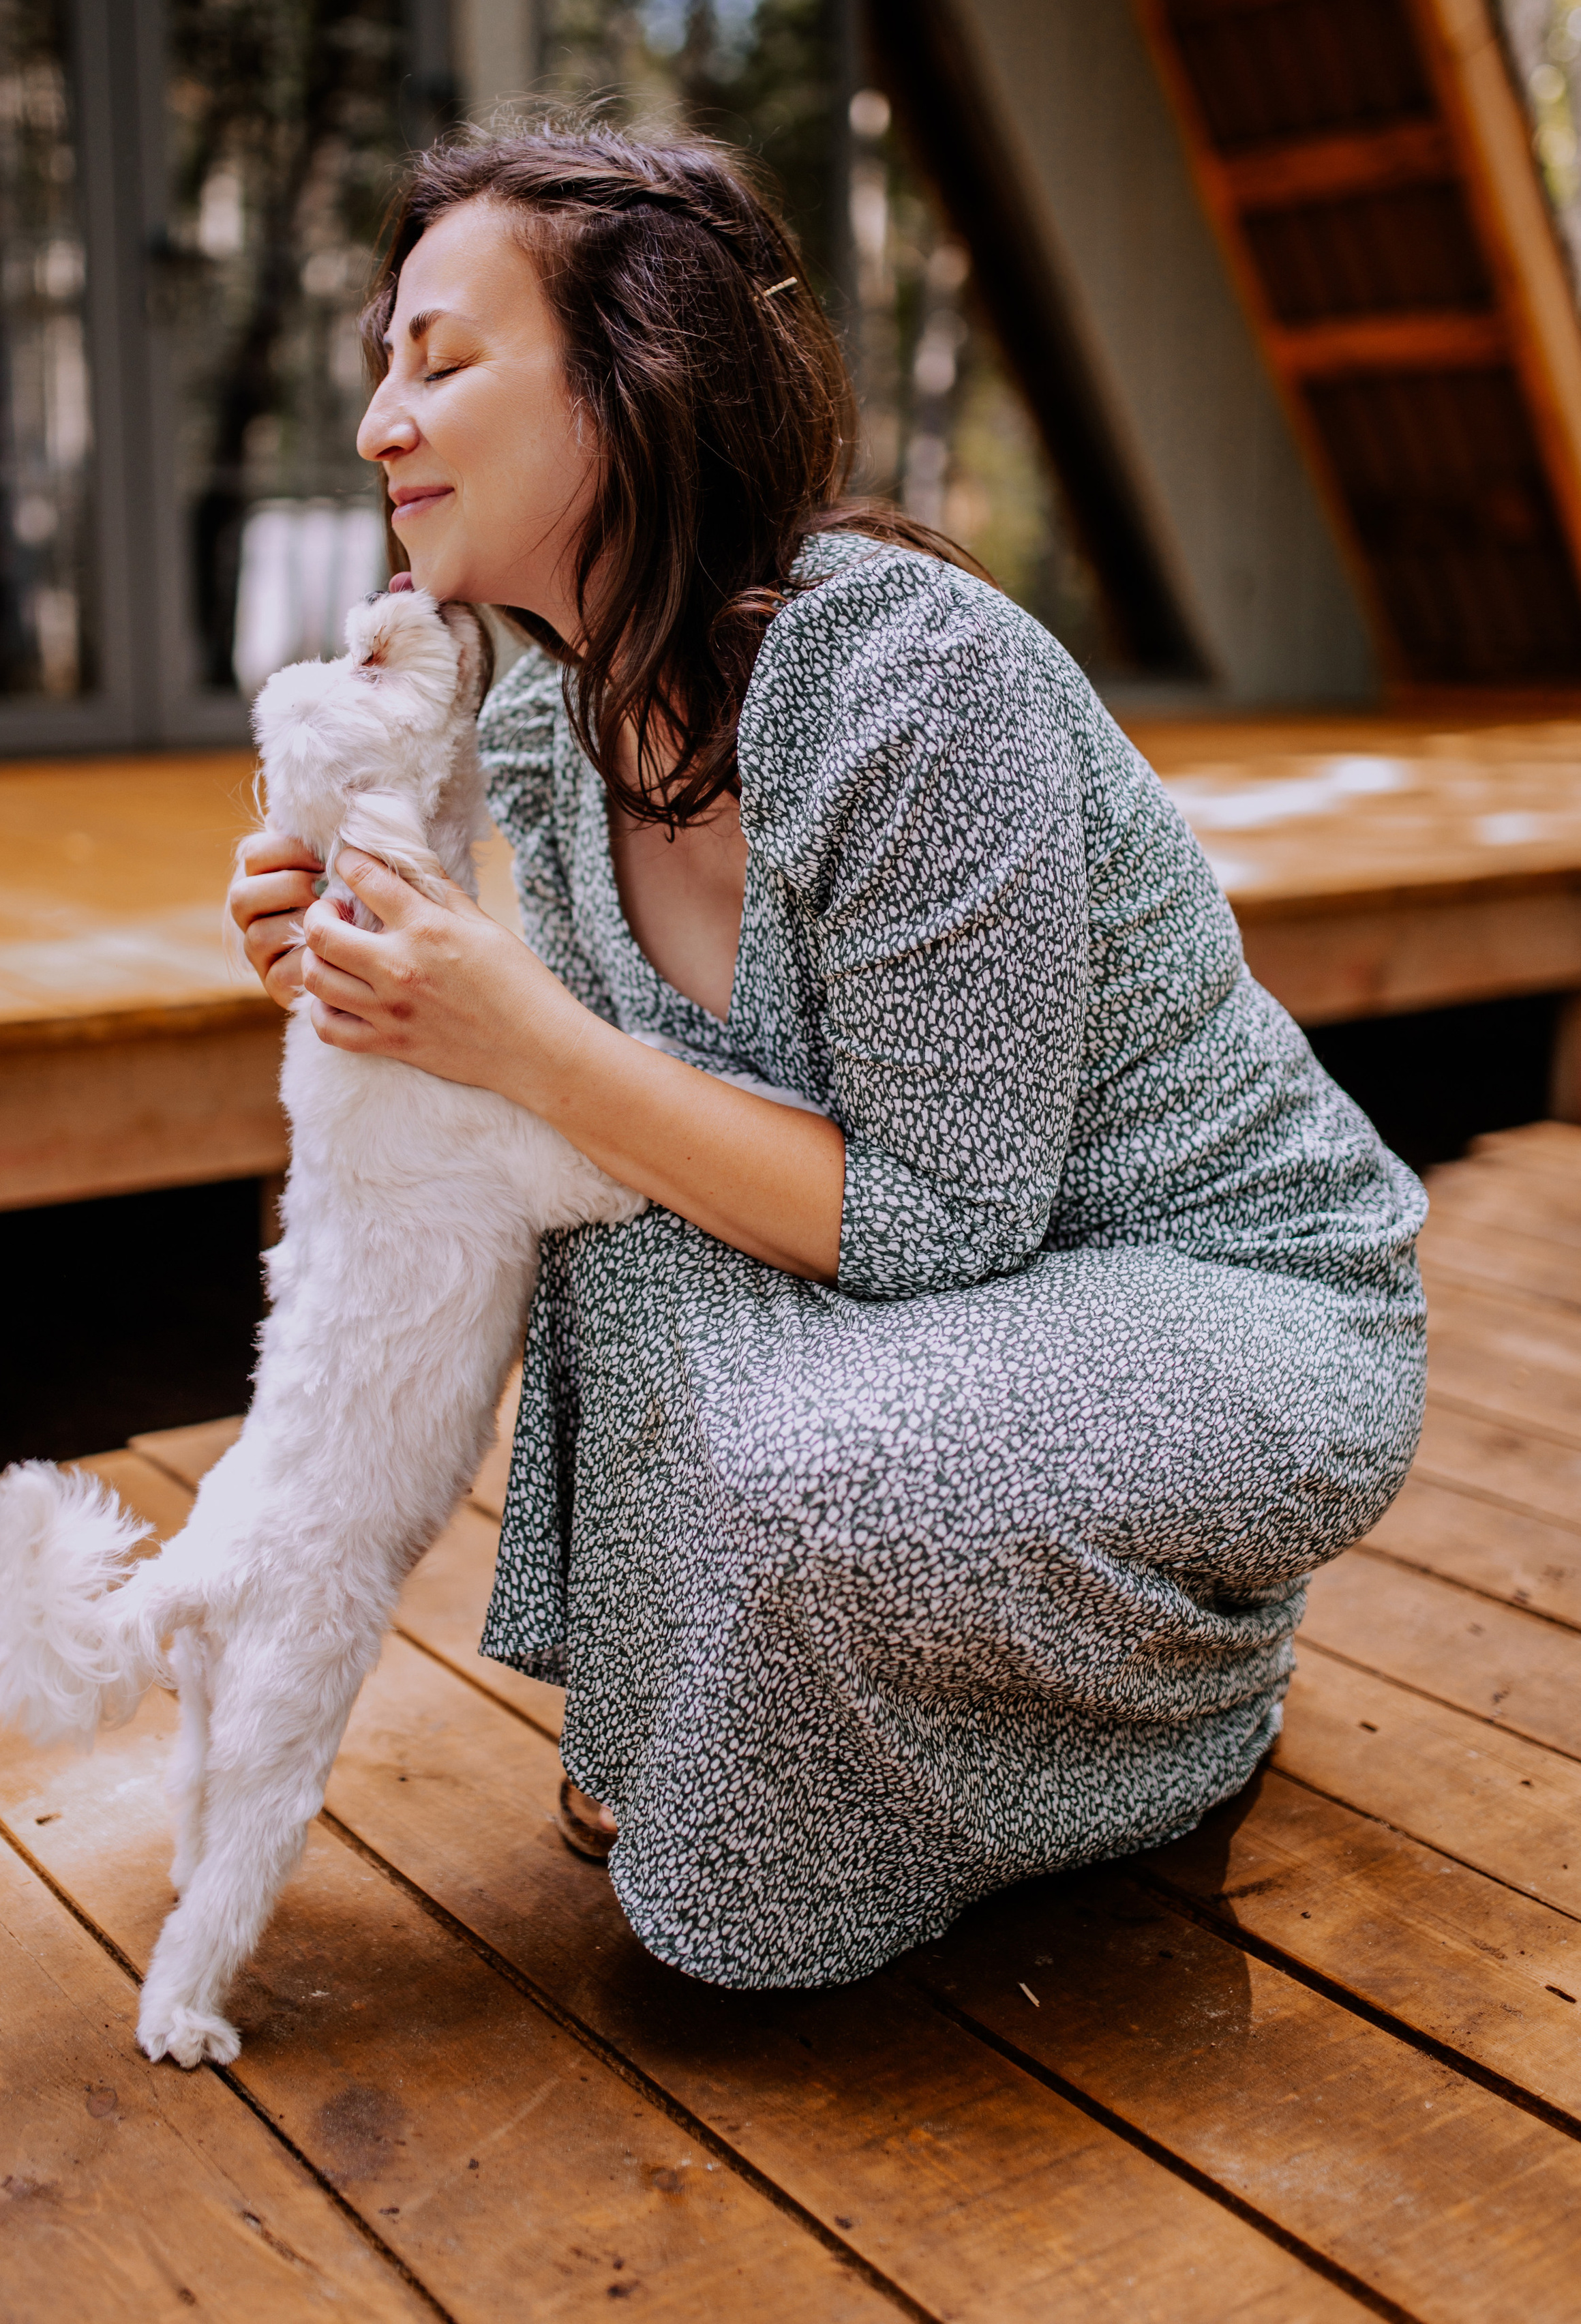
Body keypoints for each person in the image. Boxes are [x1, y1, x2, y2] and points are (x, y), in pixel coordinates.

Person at [228, 123, 1427, 1991]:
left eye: (442, 359)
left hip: (1222, 1288)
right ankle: (754, 1726)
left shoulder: (909, 680)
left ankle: (1179, 1697)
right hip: (940, 1321)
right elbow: (609, 1146)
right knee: (632, 1240)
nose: (382, 418)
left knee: (809, 1476)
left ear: (636, 381)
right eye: (382, 362)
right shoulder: (563, 728)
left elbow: (940, 1217)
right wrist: (376, 976)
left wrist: (521, 1030)